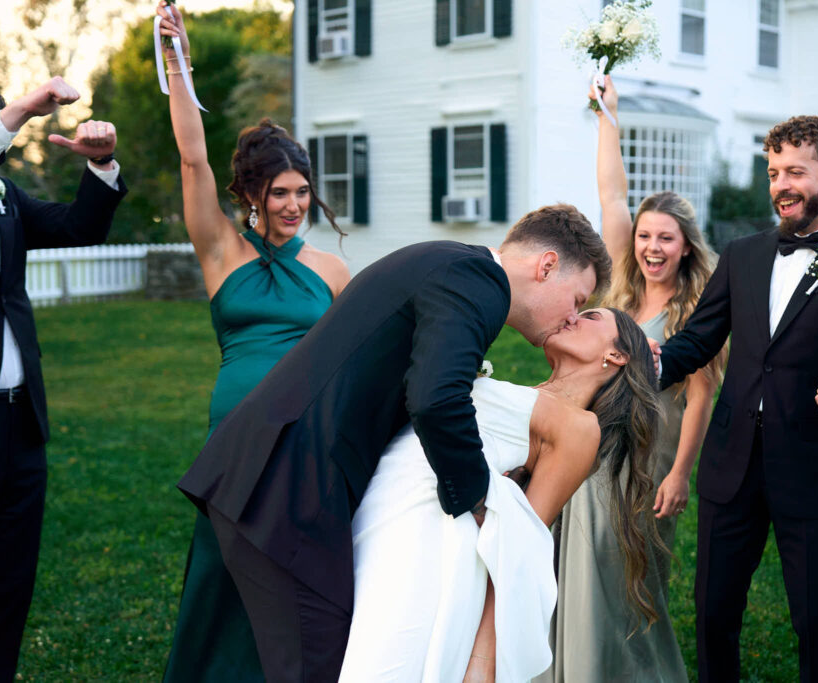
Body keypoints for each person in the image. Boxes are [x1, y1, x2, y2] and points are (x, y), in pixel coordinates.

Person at [177, 198, 611, 681]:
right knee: (316, 664)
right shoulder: (478, 280)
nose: (573, 317)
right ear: (547, 266)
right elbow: (436, 398)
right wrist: (480, 502)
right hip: (286, 485)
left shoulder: (450, 262)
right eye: (578, 300)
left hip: (273, 474)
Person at [153, 5, 351, 681]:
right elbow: (190, 155)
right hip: (231, 437)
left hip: (301, 442)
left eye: (302, 192)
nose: (294, 205)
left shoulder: (331, 271)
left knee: (286, 581)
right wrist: (177, 59)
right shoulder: (223, 254)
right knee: (223, 575)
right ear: (253, 197)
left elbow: (360, 358)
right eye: (279, 193)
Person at [655, 115, 818, 682]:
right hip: (729, 462)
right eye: (773, 172)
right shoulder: (743, 254)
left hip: (809, 468)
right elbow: (698, 340)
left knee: (816, 626)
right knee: (712, 616)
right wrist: (645, 362)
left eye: (796, 172)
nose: (782, 184)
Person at [339, 307, 660, 681]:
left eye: (589, 316)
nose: (571, 316)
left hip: (425, 545)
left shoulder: (580, 426)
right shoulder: (527, 394)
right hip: (383, 514)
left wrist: (481, 662)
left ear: (616, 355)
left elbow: (522, 545)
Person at [536, 76, 725, 683]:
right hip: (596, 438)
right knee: (582, 558)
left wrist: (679, 473)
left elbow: (701, 396)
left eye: (664, 238)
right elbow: (612, 194)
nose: (651, 246)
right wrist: (608, 116)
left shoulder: (698, 309)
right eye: (645, 236)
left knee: (634, 568)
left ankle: (637, 669)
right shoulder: (623, 288)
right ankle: (580, 662)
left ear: (686, 246)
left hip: (655, 449)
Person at [0, 78, 126, 683]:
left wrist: (103, 164)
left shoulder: (3, 196)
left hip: (20, 423)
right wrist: (20, 110)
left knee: (10, 584)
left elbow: (77, 227)